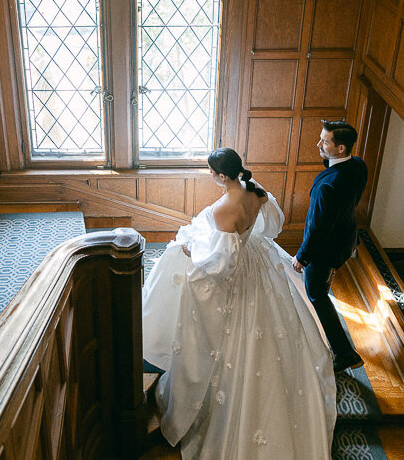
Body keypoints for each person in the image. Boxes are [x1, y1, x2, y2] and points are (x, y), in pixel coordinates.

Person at [142, 148, 336, 460]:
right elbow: (273, 225)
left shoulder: (224, 206)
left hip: (238, 277)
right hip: (259, 263)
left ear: (220, 176)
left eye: (211, 172)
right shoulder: (255, 189)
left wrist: (194, 254)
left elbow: (222, 264)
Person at [292, 120, 368, 373]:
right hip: (344, 240)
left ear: (341, 149)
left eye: (325, 142)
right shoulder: (358, 166)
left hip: (325, 251)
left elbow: (319, 228)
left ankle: (345, 353)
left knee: (317, 295)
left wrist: (302, 257)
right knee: (321, 289)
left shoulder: (328, 186)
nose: (318, 144)